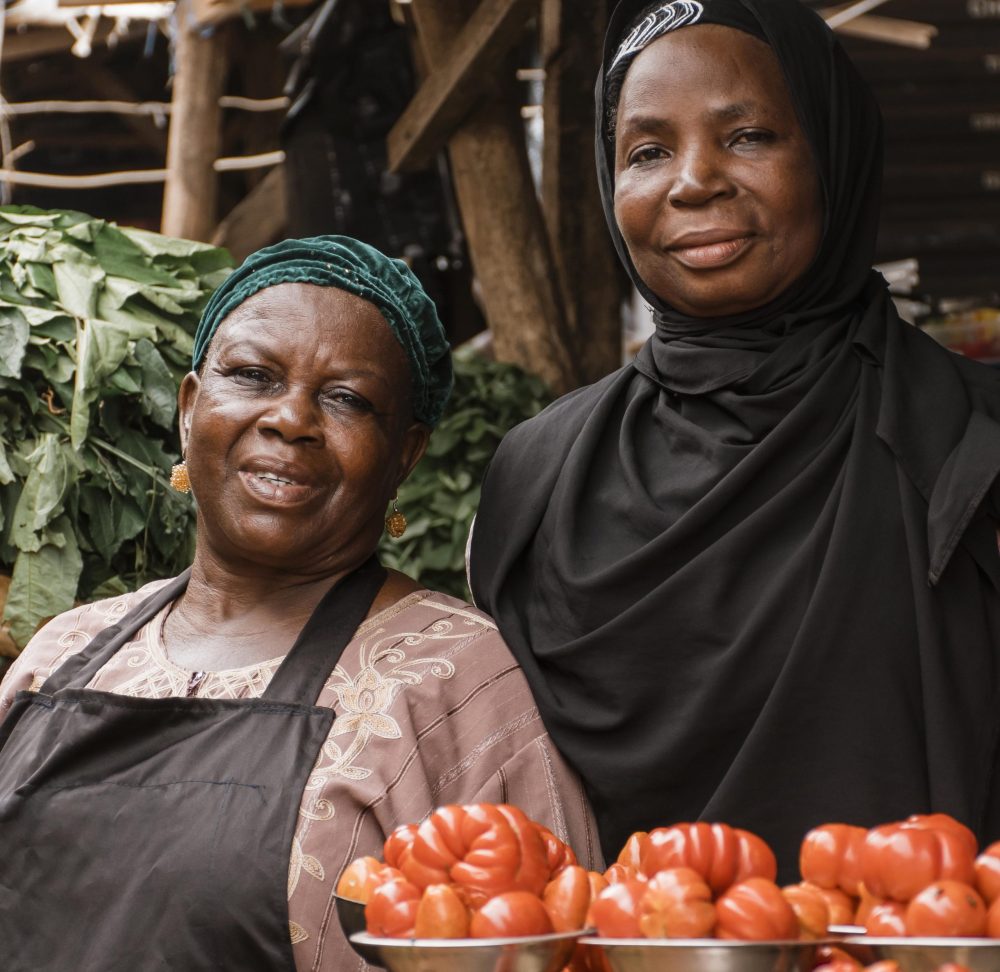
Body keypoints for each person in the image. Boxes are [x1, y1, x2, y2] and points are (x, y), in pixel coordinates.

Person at [469, 0, 1000, 881]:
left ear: (832, 153)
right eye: (647, 151)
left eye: (747, 135)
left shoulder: (971, 444)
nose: (693, 181)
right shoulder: (538, 477)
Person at [0, 236, 600, 972]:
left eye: (346, 399)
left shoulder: (454, 684)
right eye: (252, 375)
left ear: (404, 454)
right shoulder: (62, 654)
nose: (291, 419)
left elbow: (553, 945)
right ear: (189, 410)